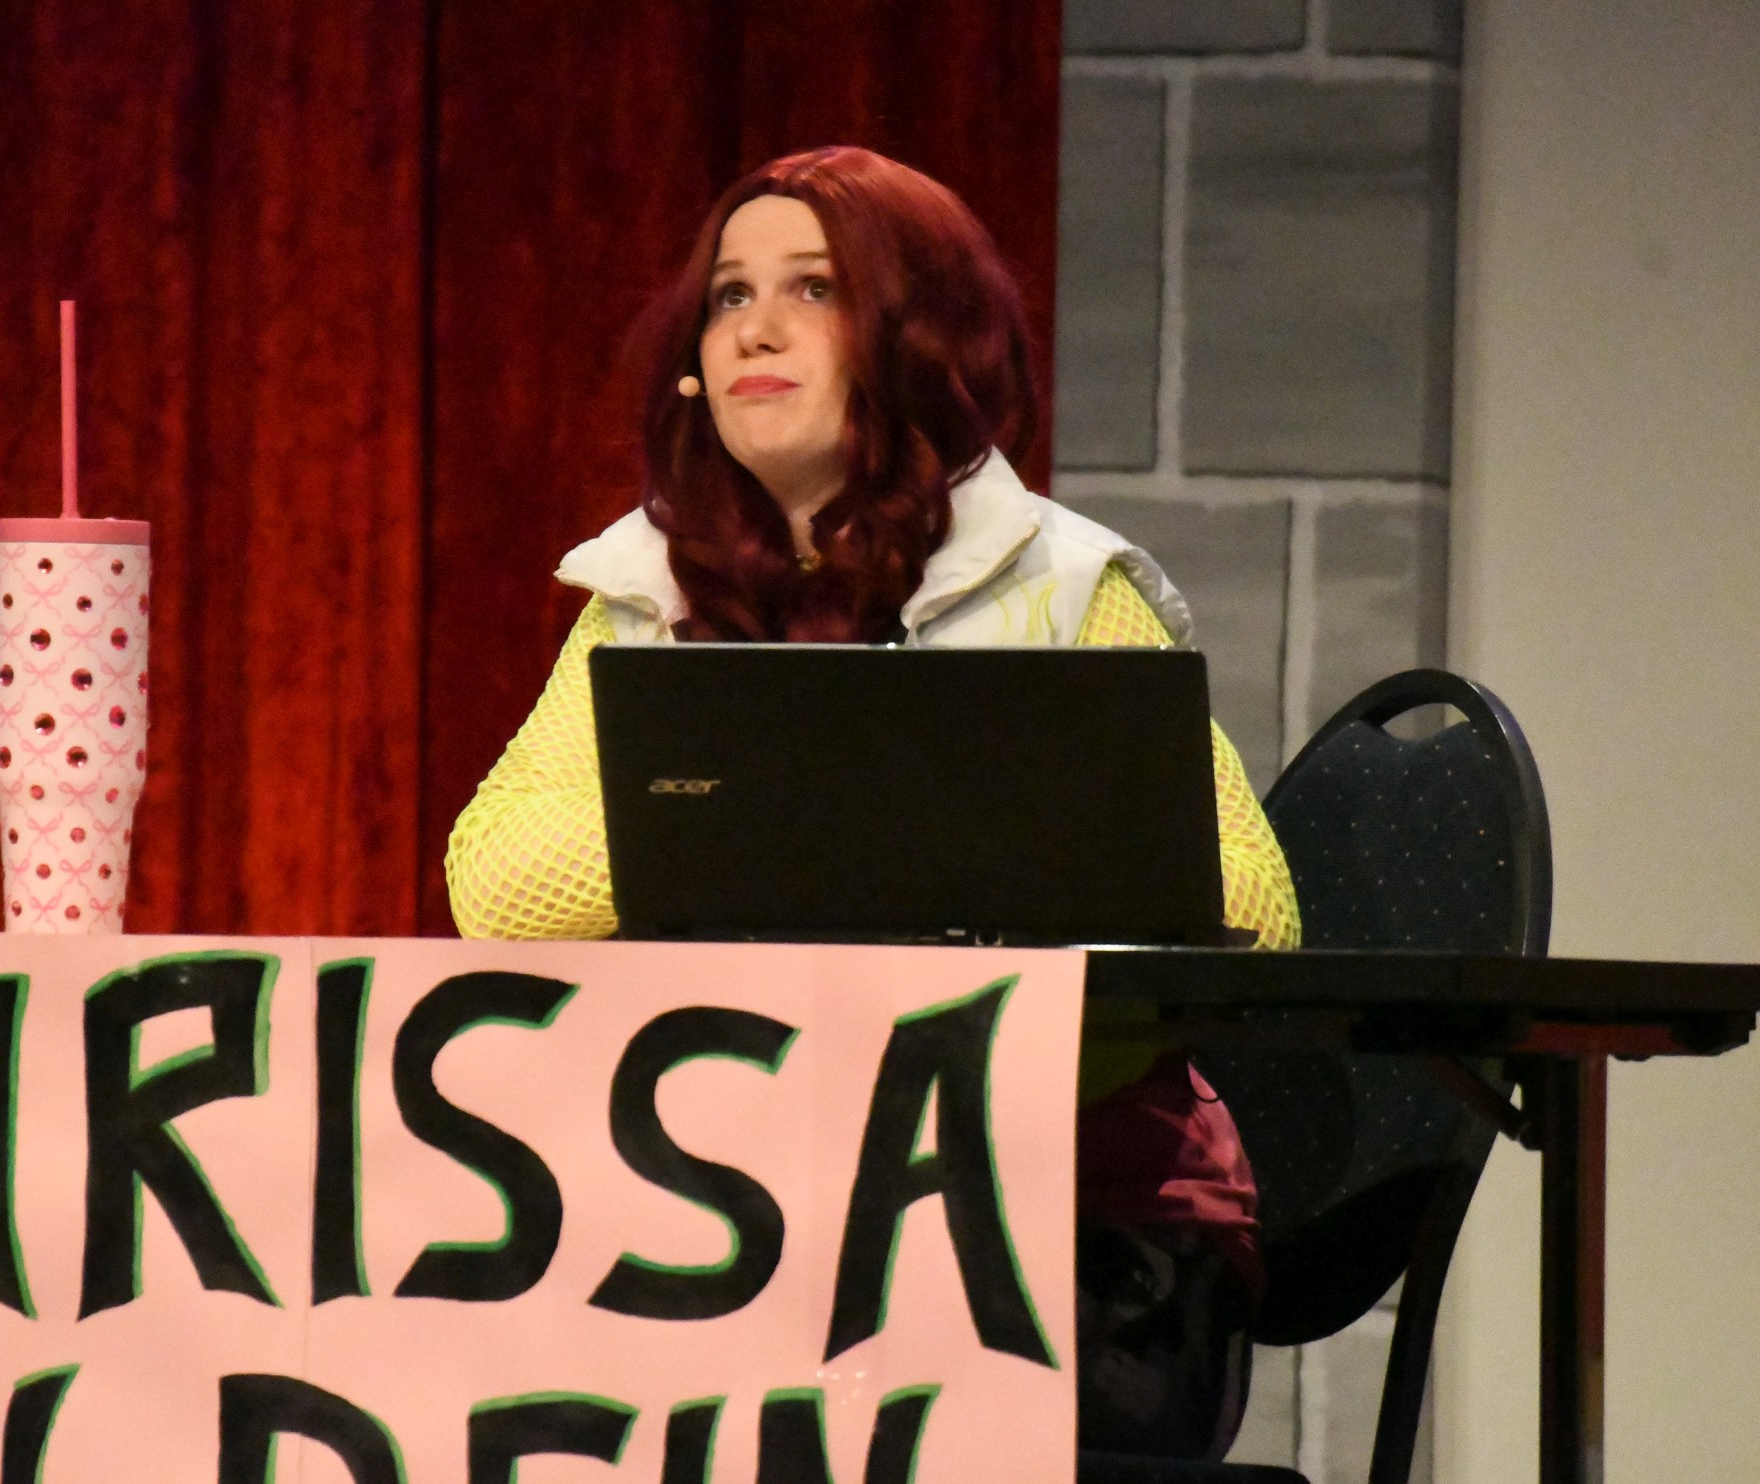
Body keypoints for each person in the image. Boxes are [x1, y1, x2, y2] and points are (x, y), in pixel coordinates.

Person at [444, 146, 1300, 1460]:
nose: (756, 329)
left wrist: (840, 823)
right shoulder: (649, 598)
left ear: (917, 338)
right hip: (750, 1226)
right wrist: (829, 805)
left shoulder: (1065, 587)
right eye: (729, 296)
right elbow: (500, 881)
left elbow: (1248, 901)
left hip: (1069, 1233)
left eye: (815, 289)